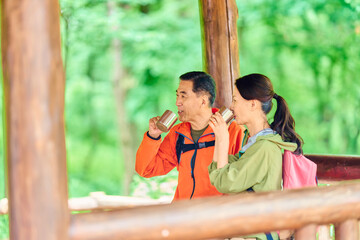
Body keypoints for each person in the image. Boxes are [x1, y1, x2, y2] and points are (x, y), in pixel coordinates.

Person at [208, 73, 303, 240]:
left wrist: (222, 138)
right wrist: (219, 138)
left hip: (256, 234)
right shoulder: (253, 141)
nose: (231, 106)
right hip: (245, 230)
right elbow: (217, 173)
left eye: (236, 100)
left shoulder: (265, 147)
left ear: (252, 104)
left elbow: (225, 183)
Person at [136, 71, 246, 201]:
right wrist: (152, 136)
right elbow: (146, 170)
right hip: (183, 216)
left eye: (183, 96)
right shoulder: (177, 134)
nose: (177, 102)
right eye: (177, 95)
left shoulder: (233, 131)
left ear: (203, 101)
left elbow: (243, 180)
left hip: (216, 216)